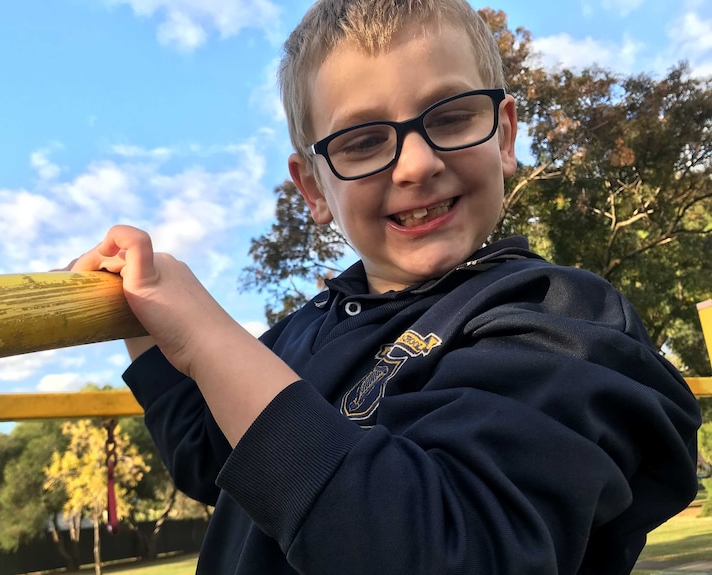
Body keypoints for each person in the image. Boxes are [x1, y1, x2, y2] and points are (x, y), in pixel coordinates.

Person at [66, 0, 701, 573]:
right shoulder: (308, 328)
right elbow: (209, 457)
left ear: (504, 134)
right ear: (314, 189)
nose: (419, 163)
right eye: (365, 141)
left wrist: (209, 337)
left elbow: (443, 550)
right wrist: (143, 321)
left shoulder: (559, 320)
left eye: (451, 118)